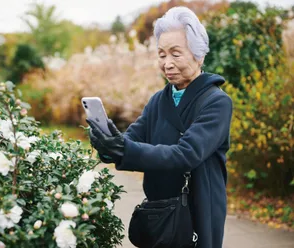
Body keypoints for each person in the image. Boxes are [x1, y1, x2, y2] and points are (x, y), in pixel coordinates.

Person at [86, 6, 233, 248]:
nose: (167, 63)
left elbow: (187, 154)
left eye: (176, 53)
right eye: (162, 54)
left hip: (198, 211)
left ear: (199, 55)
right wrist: (108, 142)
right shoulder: (158, 100)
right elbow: (133, 140)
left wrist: (124, 148)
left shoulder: (217, 102)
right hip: (159, 213)